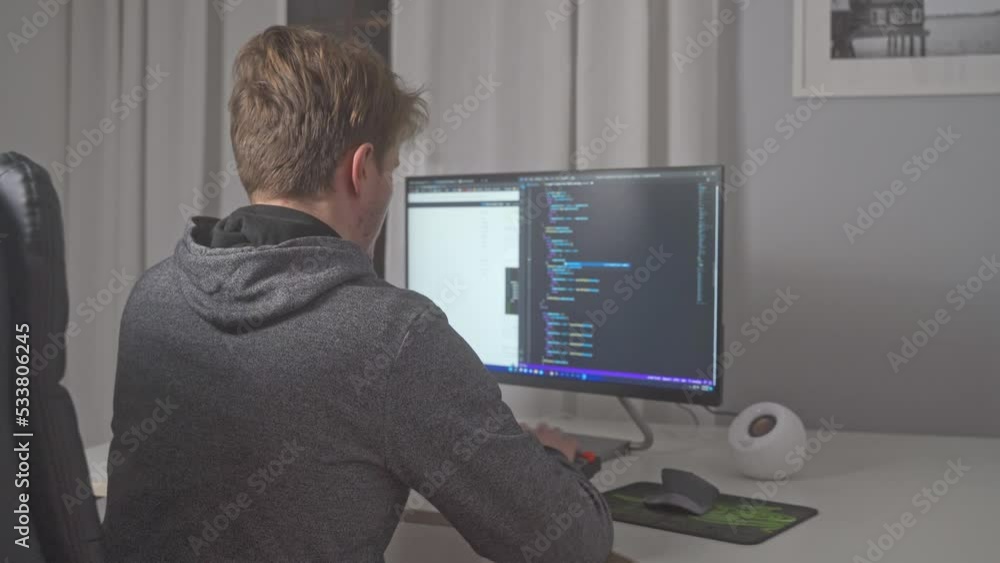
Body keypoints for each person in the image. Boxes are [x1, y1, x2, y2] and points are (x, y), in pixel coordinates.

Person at [102, 25, 614, 563]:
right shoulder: (392, 338)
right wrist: (557, 459)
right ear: (361, 169)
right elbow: (569, 543)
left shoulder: (153, 297)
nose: (388, 186)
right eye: (390, 170)